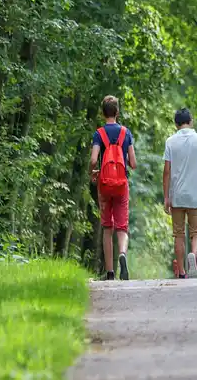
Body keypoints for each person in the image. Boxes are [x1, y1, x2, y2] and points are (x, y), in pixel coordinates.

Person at [163, 108, 197, 279]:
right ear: (191, 121)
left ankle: (183, 273)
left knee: (178, 234)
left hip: (177, 196)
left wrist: (166, 197)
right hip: (195, 195)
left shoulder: (170, 142)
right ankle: (193, 254)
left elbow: (166, 172)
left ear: (176, 124)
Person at [90, 95, 137, 281]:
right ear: (117, 112)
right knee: (122, 226)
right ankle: (123, 254)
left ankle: (110, 272)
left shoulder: (99, 134)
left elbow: (94, 159)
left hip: (104, 184)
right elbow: (133, 164)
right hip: (121, 185)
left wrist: (92, 171)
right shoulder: (126, 133)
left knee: (107, 227)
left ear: (103, 113)